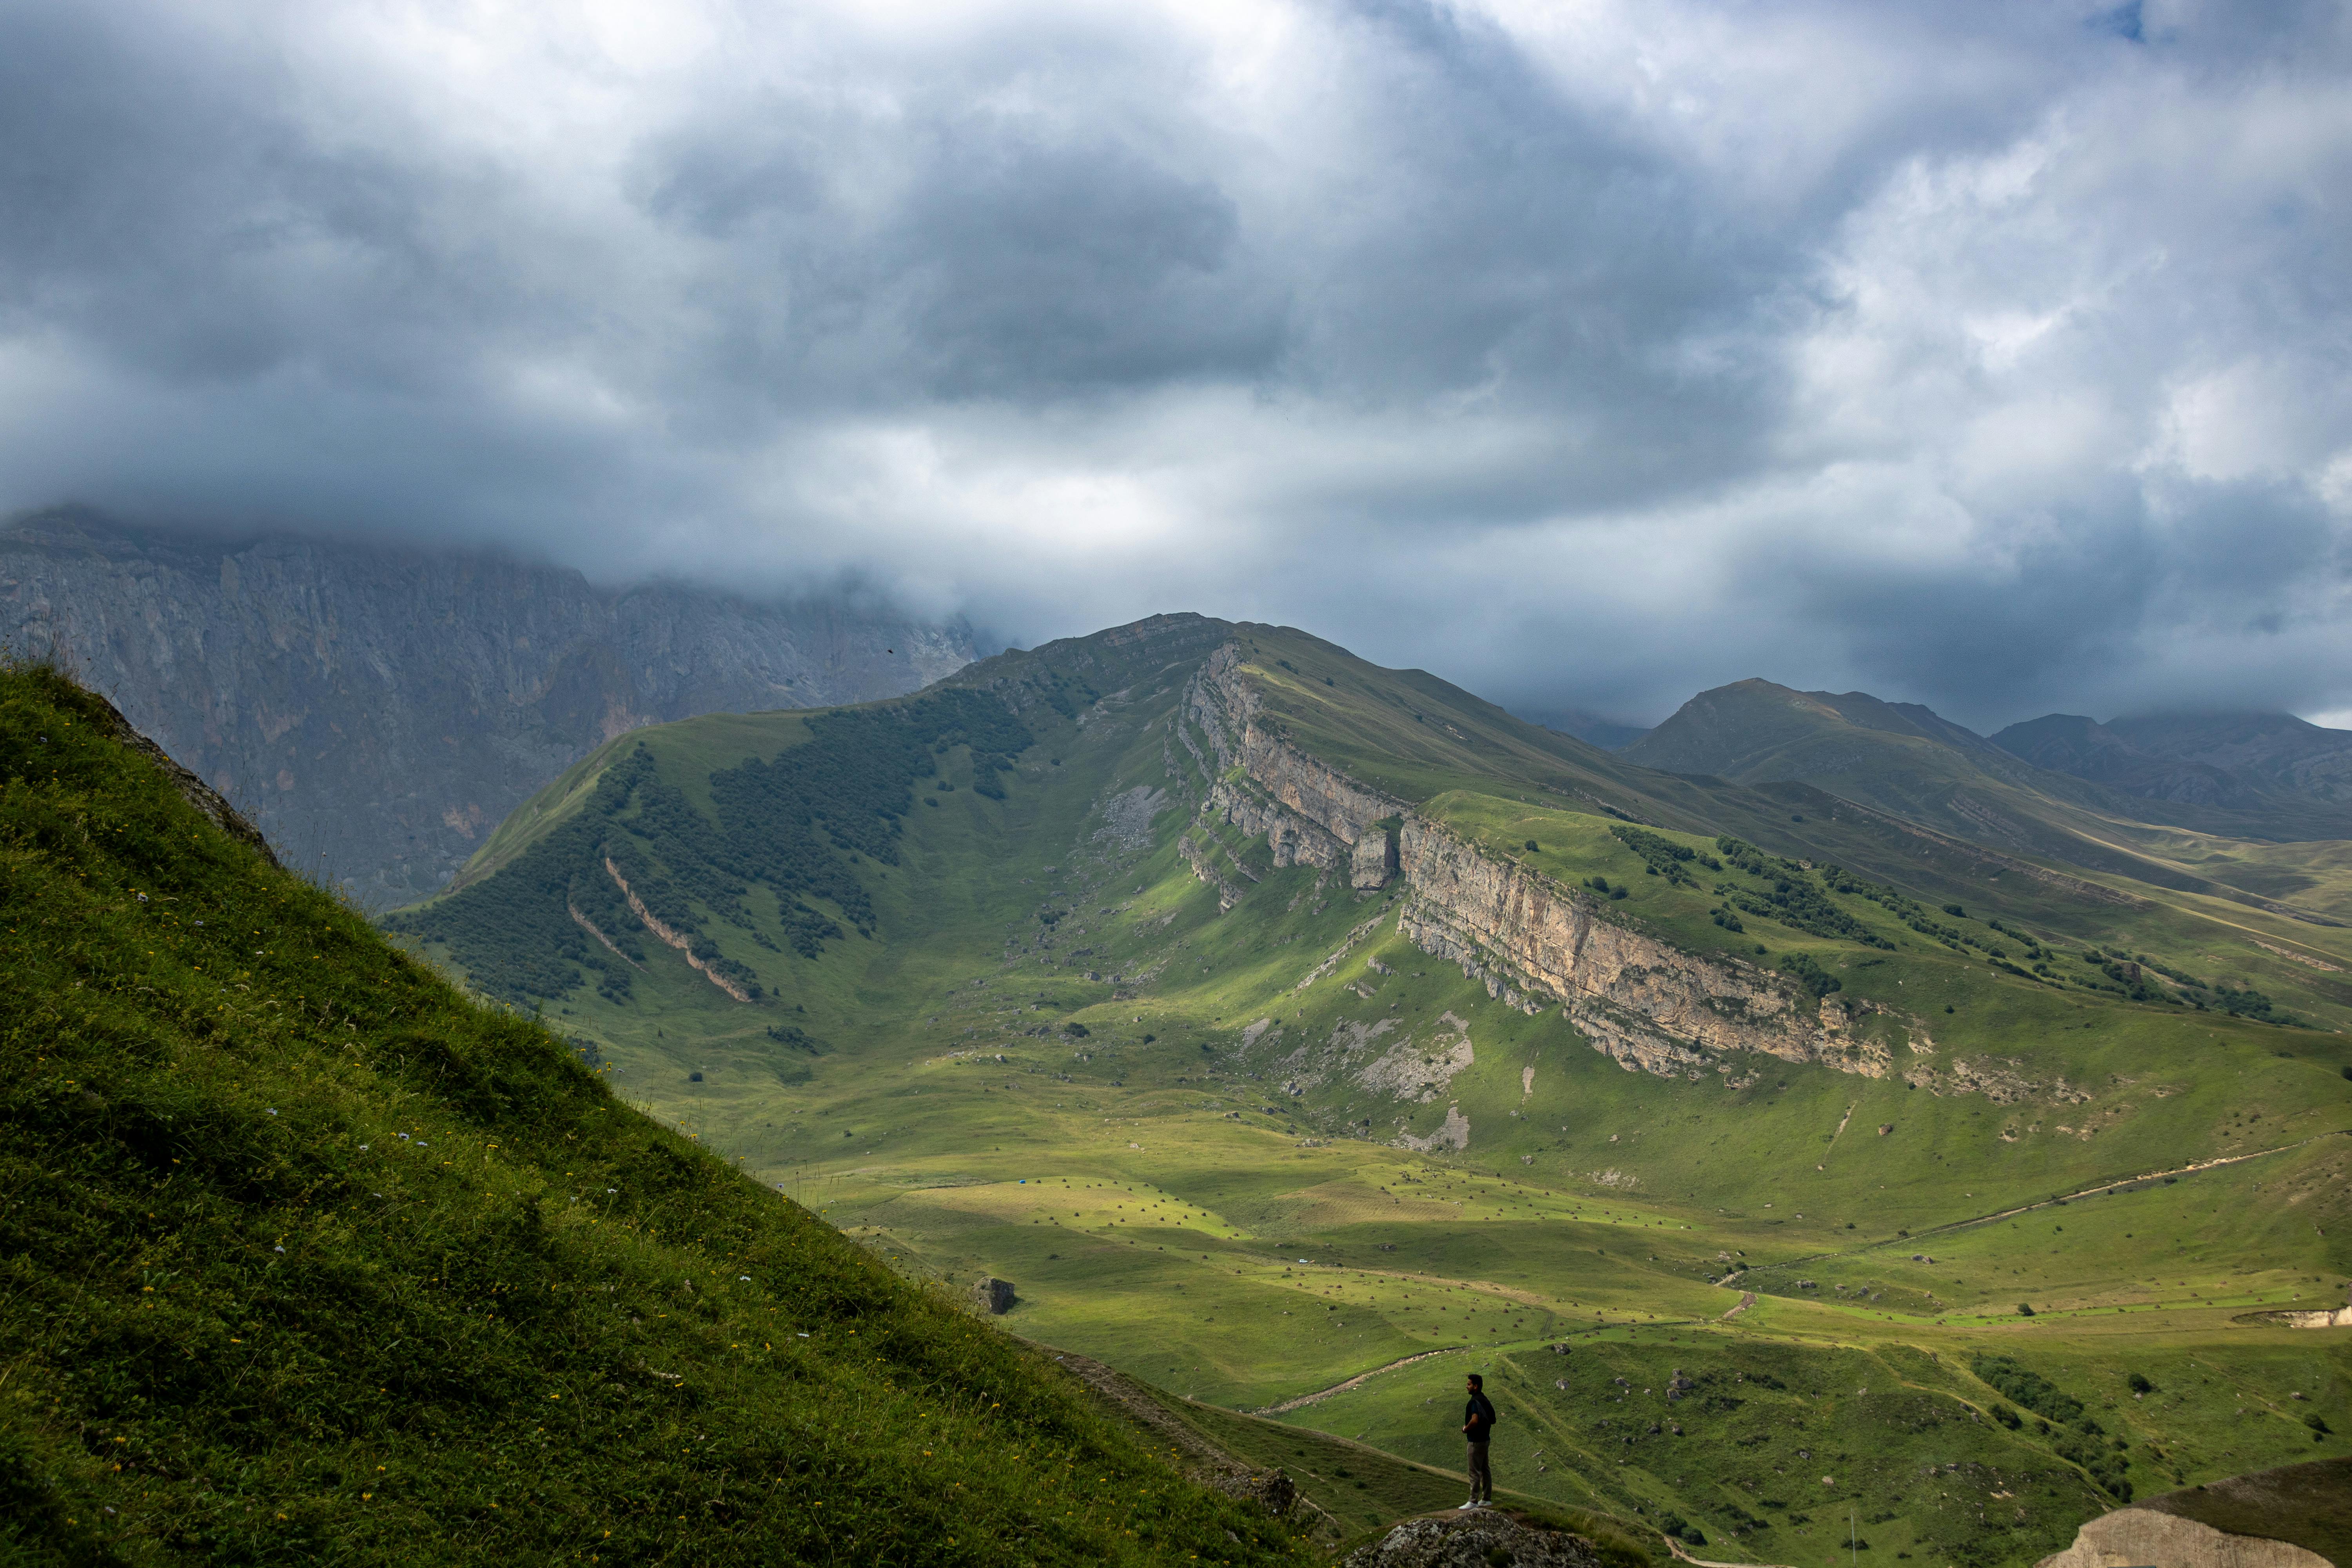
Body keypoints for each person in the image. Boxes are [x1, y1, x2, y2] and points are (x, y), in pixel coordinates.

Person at [1457, 1372, 1497, 1509]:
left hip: (1475, 1441)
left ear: (1476, 1386)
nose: (1466, 1387)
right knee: (1485, 1469)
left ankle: (1473, 1501)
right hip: (1485, 1439)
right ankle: (1487, 1499)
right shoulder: (1484, 1399)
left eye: (1469, 1385)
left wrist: (1465, 1429)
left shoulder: (1474, 1402)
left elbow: (1474, 1420)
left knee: (1474, 1471)